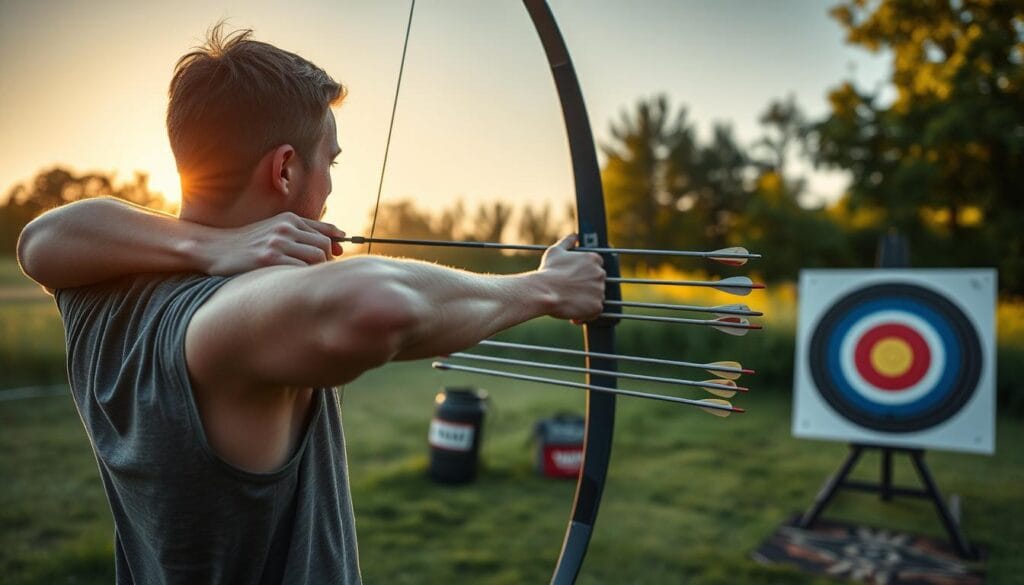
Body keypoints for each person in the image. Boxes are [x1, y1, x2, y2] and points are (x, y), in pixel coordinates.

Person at [16, 25, 605, 584]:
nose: (329, 185)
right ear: (285, 167)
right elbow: (377, 304)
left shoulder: (99, 289)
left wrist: (209, 244)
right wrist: (545, 288)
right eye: (331, 161)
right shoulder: (222, 318)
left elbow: (39, 240)